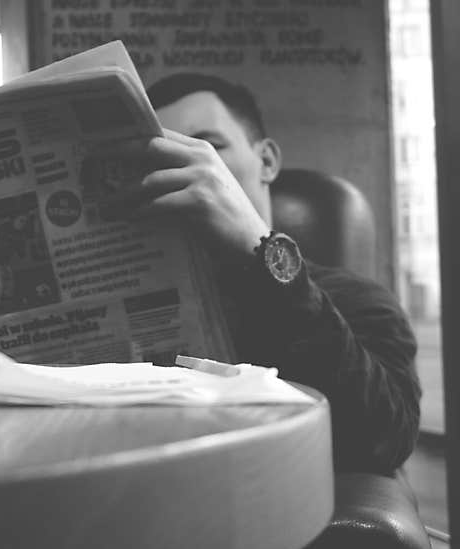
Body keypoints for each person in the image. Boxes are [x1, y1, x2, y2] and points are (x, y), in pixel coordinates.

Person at [125, 72, 421, 474]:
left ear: (266, 160)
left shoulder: (356, 299)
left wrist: (256, 244)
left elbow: (385, 437)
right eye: (165, 158)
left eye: (210, 147)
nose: (186, 169)